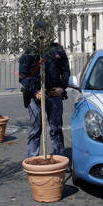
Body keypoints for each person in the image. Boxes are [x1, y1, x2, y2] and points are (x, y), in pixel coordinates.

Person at [18, 21, 70, 158]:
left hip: (55, 94)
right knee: (36, 129)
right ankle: (32, 159)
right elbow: (22, 76)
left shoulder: (58, 49)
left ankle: (59, 157)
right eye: (40, 32)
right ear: (36, 33)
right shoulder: (30, 51)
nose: (43, 34)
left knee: (56, 128)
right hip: (36, 96)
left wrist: (62, 88)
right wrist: (35, 91)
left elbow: (66, 72)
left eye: (45, 31)